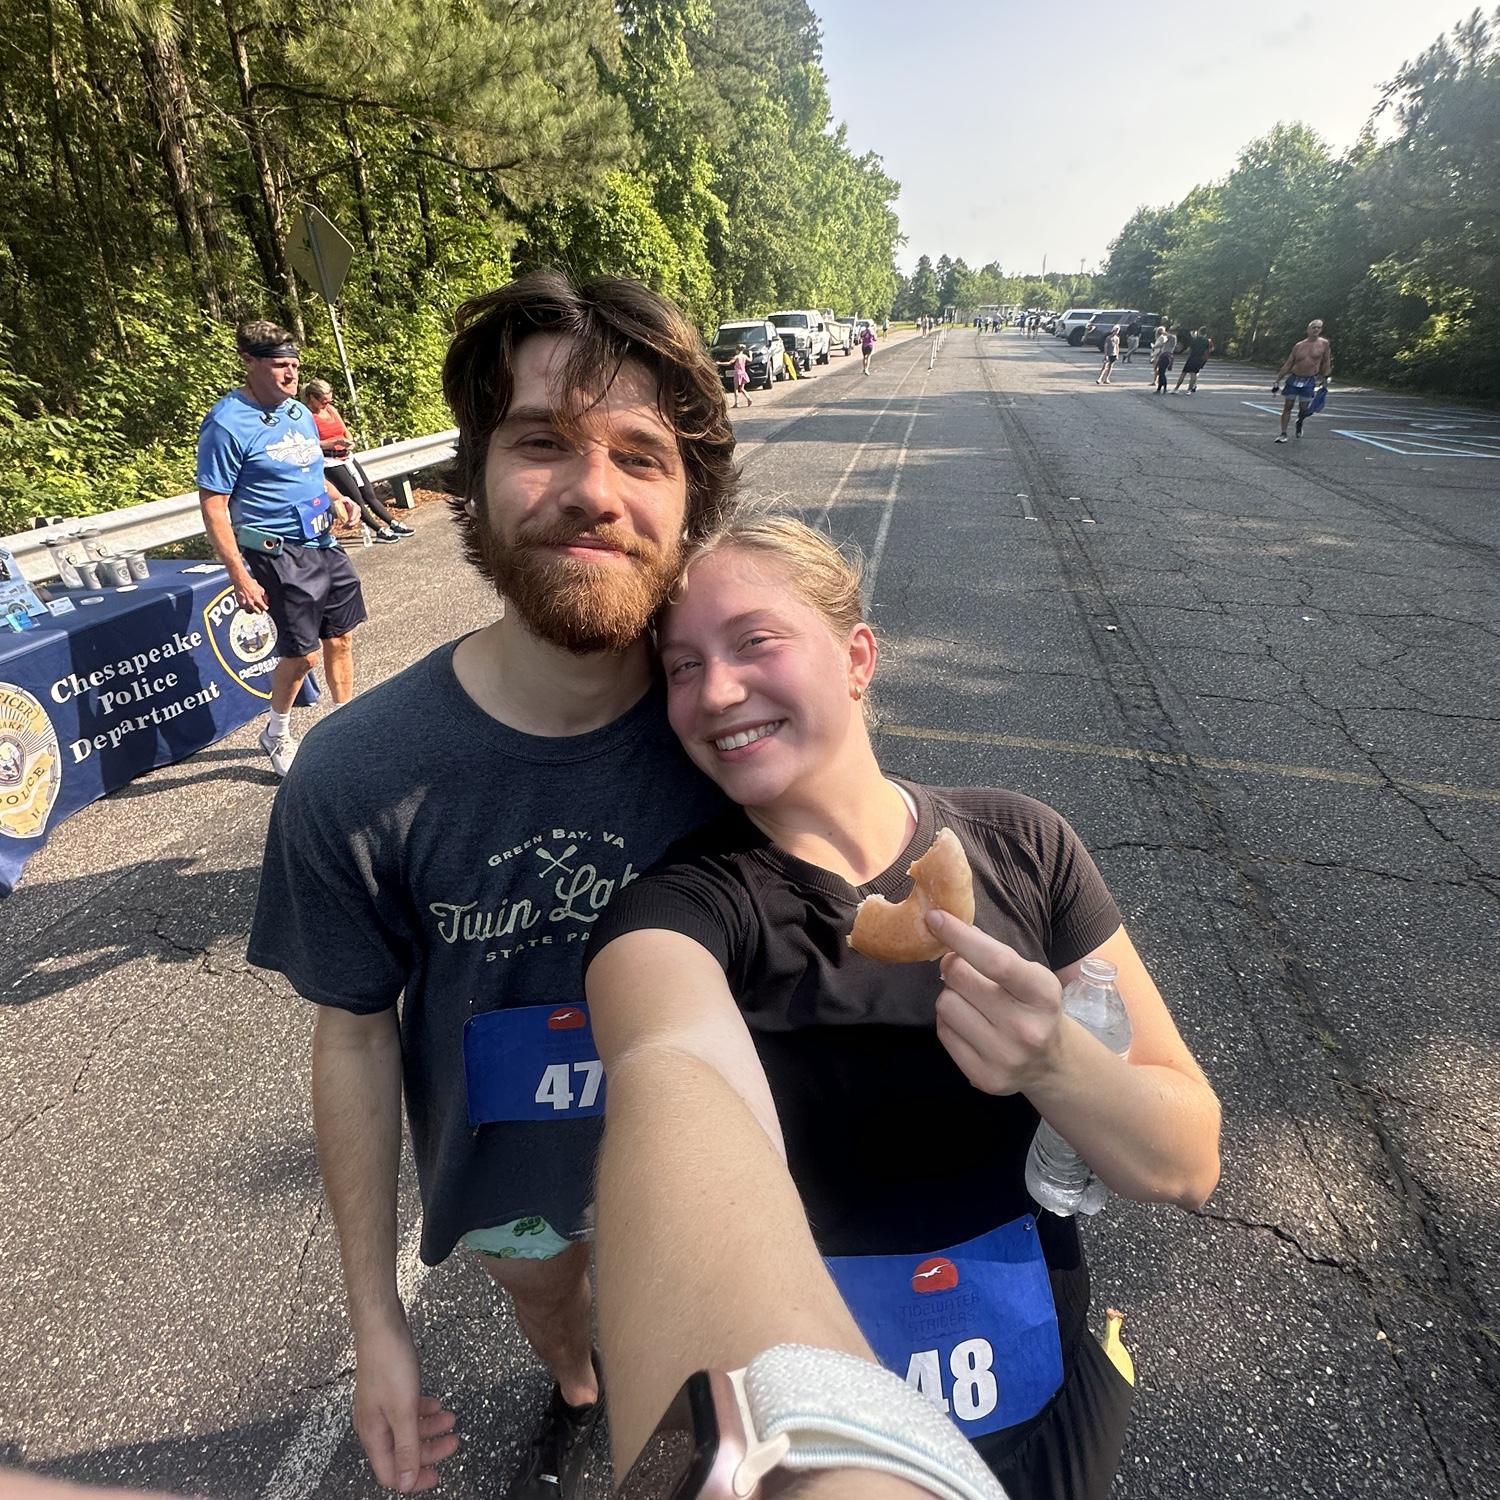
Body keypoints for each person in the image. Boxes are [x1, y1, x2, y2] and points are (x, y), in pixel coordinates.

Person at [584, 513, 1221, 1500]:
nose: (715, 691)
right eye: (679, 666)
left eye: (756, 642)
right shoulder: (689, 908)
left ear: (856, 657)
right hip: (827, 1391)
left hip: (1040, 1375)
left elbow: (1188, 1162)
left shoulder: (1026, 844)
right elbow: (667, 1061)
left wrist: (1056, 1062)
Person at [246, 270, 739, 1500]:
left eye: (641, 454)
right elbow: (354, 1038)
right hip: (513, 1190)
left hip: (715, 1168)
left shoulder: (747, 748)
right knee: (559, 1313)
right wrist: (376, 1322)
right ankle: (576, 1386)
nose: (590, 491)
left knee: (705, 1388)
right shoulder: (354, 777)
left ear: (689, 506)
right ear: (474, 478)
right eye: (541, 444)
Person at [196, 321, 366, 776]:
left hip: (323, 541)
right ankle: (277, 730)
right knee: (303, 653)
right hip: (276, 551)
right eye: (279, 367)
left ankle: (346, 729)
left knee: (341, 637)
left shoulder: (298, 413)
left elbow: (309, 472)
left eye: (294, 366)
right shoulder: (226, 424)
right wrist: (239, 574)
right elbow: (214, 505)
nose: (290, 376)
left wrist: (339, 499)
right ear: (249, 362)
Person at [302, 379, 414, 541]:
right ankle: (378, 530)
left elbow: (345, 431)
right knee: (356, 497)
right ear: (312, 397)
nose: (326, 405)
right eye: (323, 402)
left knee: (369, 493)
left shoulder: (331, 410)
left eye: (329, 401)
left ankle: (393, 523)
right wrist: (335, 442)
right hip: (330, 461)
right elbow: (310, 443)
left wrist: (349, 441)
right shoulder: (307, 416)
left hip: (346, 457)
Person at [1272, 320, 1332, 442]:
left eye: (1319, 328)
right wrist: (1278, 380)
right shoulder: (1299, 346)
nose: (1316, 330)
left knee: (1304, 409)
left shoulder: (1324, 344)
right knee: (1288, 406)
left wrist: (1325, 378)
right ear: (1308, 329)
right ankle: (1283, 433)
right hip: (1294, 378)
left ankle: (1300, 422)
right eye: (1314, 327)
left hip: (1309, 380)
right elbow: (1288, 363)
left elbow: (1326, 362)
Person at [1150, 326, 1175, 394]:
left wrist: (1162, 331)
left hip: (1166, 356)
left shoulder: (1173, 338)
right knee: (1161, 372)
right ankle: (1162, 388)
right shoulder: (1169, 340)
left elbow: (1168, 336)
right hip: (1164, 356)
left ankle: (1162, 388)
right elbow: (1161, 344)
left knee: (1161, 372)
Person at [731, 343, 752, 408]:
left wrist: (720, 363)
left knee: (736, 389)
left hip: (737, 373)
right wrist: (751, 354)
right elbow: (750, 360)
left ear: (737, 350)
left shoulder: (737, 357)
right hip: (743, 373)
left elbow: (730, 362)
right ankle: (749, 398)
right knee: (742, 388)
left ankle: (736, 403)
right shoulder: (744, 356)